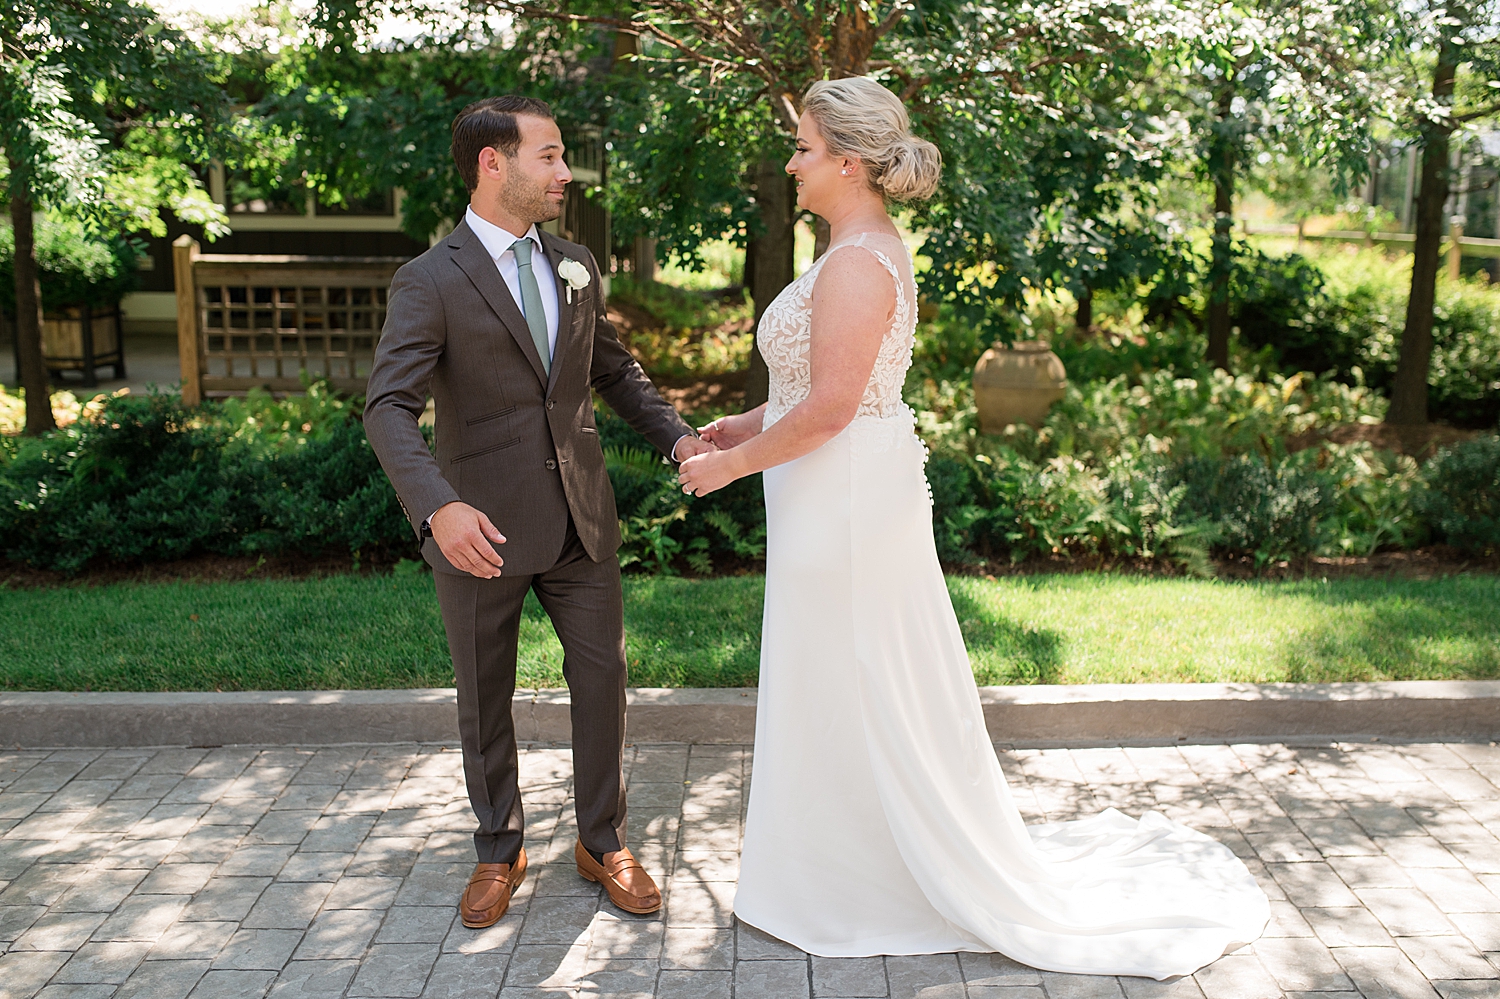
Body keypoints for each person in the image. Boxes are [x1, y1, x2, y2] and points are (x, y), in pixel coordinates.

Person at [679, 77, 1269, 979]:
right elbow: (812, 395)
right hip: (826, 492)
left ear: (845, 160)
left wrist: (724, 467)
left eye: (801, 149)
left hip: (842, 499)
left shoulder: (855, 261)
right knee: (832, 674)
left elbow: (836, 407)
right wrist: (743, 428)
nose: (790, 164)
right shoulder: (854, 251)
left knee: (858, 671)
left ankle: (861, 880)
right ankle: (831, 868)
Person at [364, 95, 716, 929]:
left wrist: (681, 442)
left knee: (604, 680)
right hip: (478, 529)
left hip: (582, 521)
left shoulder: (577, 261)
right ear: (496, 164)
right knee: (483, 694)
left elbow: (617, 372)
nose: (566, 173)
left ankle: (603, 840)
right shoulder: (430, 278)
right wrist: (437, 508)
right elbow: (387, 408)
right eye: (550, 156)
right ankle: (499, 847)